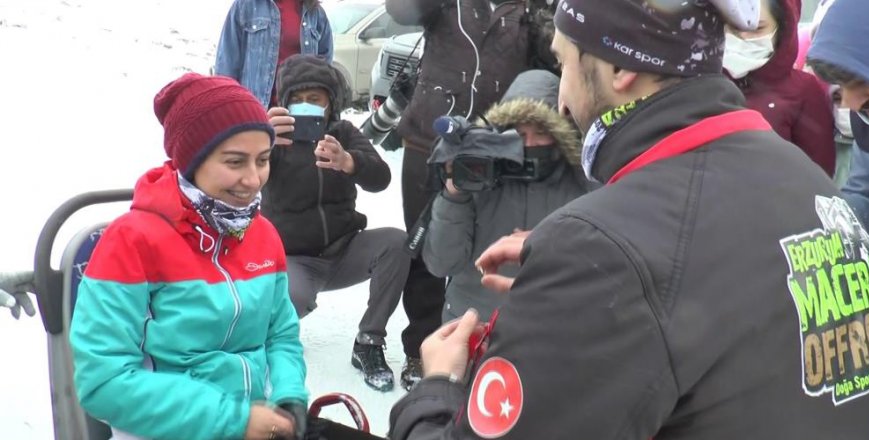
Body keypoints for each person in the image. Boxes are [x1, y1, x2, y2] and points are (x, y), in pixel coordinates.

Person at [388, 0, 869, 438]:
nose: (561, 99)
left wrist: (437, 390)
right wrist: (584, 278)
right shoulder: (811, 186)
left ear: (620, 65)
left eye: (564, 64)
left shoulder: (603, 248)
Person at [69, 73, 308, 440]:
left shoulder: (262, 235)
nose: (253, 179)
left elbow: (281, 334)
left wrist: (290, 394)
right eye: (234, 162)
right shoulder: (131, 242)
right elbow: (105, 381)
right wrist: (233, 420)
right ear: (191, 161)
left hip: (255, 419)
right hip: (164, 428)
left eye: (262, 160)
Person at [384, 0, 559, 392]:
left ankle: (476, 342)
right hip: (427, 141)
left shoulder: (529, 9)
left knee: (479, 248)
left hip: (493, 149)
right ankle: (422, 349)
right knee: (425, 250)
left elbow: (554, 53)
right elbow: (400, 10)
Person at [264, 54, 410, 392]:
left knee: (397, 244)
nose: (306, 107)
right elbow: (239, 181)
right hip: (294, 261)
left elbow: (381, 177)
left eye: (314, 100)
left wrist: (349, 162)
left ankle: (368, 341)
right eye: (297, 101)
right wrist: (261, 142)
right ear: (284, 104)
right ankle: (270, 337)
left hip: (344, 251)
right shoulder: (272, 140)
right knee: (292, 297)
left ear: (330, 102)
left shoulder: (343, 133)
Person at [422, 69, 588, 322]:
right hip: (473, 322)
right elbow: (442, 264)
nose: (529, 144)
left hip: (555, 326)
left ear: (559, 135)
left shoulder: (581, 183)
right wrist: (454, 193)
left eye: (541, 133)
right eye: (519, 135)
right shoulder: (480, 178)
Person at [723, 0, 836, 176]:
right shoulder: (706, 84)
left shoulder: (804, 90)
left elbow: (819, 173)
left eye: (757, 29)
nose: (743, 37)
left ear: (782, 30)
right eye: (733, 28)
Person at [807, 0, 869, 242]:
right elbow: (868, 195)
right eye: (842, 86)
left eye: (862, 85)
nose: (850, 102)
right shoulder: (868, 118)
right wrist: (823, 223)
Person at [215, 0, 333, 109]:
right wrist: (227, 111)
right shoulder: (246, 5)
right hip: (256, 111)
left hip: (299, 113)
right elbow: (226, 66)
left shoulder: (316, 13)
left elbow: (325, 72)